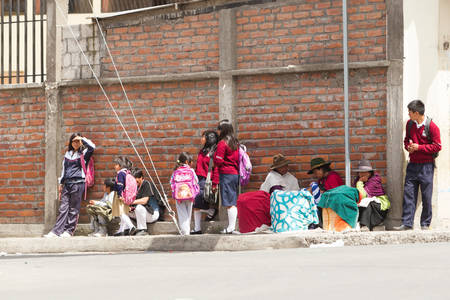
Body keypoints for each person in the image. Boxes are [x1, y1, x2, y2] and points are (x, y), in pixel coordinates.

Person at [394, 100, 441, 231]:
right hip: (412, 165)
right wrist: (408, 147)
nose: (408, 114)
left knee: (426, 196)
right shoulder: (409, 124)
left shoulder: (432, 126)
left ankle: (425, 224)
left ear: (416, 113)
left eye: (409, 112)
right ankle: (407, 223)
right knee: (408, 194)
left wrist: (419, 147)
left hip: (427, 166)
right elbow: (406, 140)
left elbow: (437, 146)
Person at [44, 133, 95, 237]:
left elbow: (92, 147)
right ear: (71, 142)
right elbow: (64, 170)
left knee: (74, 209)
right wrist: (60, 183)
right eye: (74, 141)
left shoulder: (84, 153)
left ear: (81, 142)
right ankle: (56, 231)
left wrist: (82, 138)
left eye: (78, 141)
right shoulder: (68, 154)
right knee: (63, 208)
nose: (76, 143)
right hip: (67, 184)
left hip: (78, 183)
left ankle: (69, 231)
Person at [214, 119, 240, 234]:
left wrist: (213, 157)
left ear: (223, 131)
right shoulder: (235, 142)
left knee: (230, 202)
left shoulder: (222, 144)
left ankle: (231, 228)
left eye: (218, 129)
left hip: (226, 174)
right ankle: (231, 227)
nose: (217, 131)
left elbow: (219, 161)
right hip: (234, 174)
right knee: (232, 200)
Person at [192, 130, 220, 234]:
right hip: (198, 180)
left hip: (206, 181)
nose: (201, 139)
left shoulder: (214, 152)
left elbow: (216, 168)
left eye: (203, 137)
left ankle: (197, 228)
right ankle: (209, 212)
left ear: (209, 139)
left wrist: (215, 183)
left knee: (196, 204)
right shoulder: (201, 151)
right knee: (196, 203)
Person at [352, 159, 390, 231]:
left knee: (368, 203)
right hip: (367, 208)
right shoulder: (357, 180)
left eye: (364, 172)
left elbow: (363, 195)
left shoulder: (374, 180)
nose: (361, 174)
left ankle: (364, 225)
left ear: (369, 173)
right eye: (360, 172)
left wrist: (360, 182)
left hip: (379, 208)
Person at [170, 152, 200, 235]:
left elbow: (171, 183)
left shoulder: (175, 171)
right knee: (188, 213)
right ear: (187, 162)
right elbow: (196, 181)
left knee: (182, 213)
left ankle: (184, 231)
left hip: (179, 196)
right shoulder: (191, 171)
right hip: (189, 195)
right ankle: (187, 231)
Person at [129, 168, 160, 236]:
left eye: (135, 179)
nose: (133, 182)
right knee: (122, 209)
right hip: (141, 214)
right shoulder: (135, 186)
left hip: (152, 214)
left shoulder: (147, 184)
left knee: (139, 207)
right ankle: (129, 229)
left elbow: (144, 201)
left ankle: (143, 230)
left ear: (141, 178)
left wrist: (130, 202)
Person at [111, 156, 136, 236]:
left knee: (121, 213)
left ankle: (131, 227)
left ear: (120, 165)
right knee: (123, 212)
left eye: (116, 164)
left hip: (120, 195)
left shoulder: (120, 173)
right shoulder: (126, 173)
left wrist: (119, 194)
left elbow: (120, 185)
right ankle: (121, 230)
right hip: (125, 195)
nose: (114, 166)